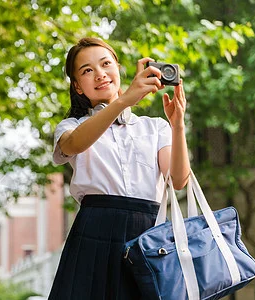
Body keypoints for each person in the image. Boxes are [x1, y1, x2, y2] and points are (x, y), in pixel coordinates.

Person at [49, 37, 190, 300]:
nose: (100, 74)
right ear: (78, 86)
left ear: (118, 69)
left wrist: (178, 124)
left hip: (147, 235)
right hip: (94, 233)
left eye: (105, 64)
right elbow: (75, 144)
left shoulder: (155, 127)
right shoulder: (70, 127)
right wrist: (124, 100)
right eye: (87, 70)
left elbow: (179, 180)